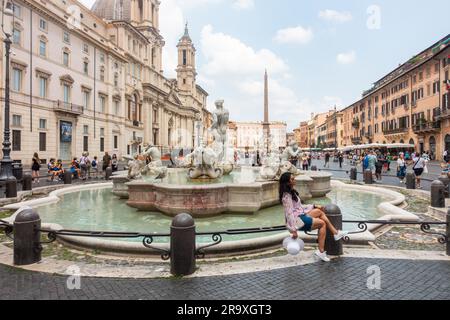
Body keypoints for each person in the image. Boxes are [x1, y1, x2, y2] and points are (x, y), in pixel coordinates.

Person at [279, 172, 348, 262]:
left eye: (294, 178)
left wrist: (314, 206)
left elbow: (299, 207)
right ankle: (321, 251)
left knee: (319, 211)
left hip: (300, 215)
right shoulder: (286, 196)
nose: (294, 180)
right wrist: (294, 230)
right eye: (292, 179)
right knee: (322, 223)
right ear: (287, 183)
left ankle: (335, 233)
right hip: (297, 221)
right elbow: (289, 214)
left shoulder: (292, 193)